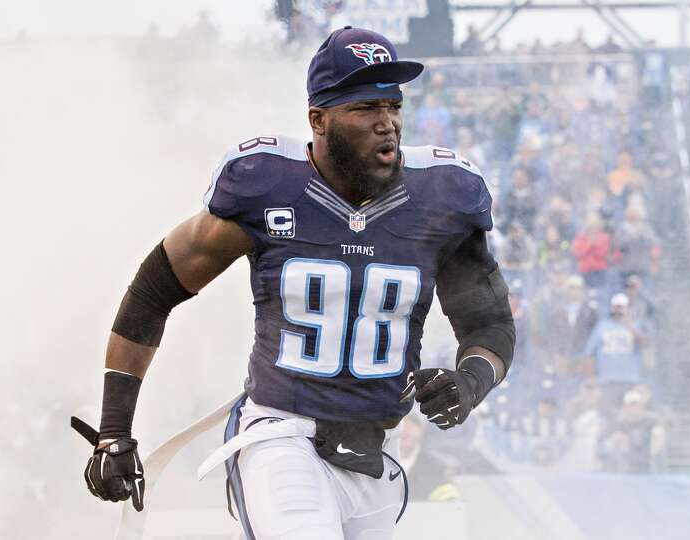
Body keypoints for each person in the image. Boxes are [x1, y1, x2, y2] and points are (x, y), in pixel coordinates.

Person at [74, 27, 515, 539]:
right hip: (281, 436)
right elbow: (153, 293)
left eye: (393, 106)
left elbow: (490, 323)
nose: (387, 124)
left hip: (376, 451)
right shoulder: (267, 186)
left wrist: (470, 381)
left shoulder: (443, 197)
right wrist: (113, 430)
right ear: (318, 119)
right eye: (365, 108)